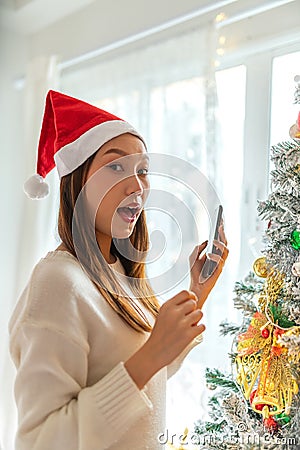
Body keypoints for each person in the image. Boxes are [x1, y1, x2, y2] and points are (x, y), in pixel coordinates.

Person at [9, 90, 229, 450]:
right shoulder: (57, 283)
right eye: (116, 166)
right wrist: (152, 353)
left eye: (143, 170)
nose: (138, 185)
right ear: (78, 181)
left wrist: (196, 293)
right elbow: (40, 440)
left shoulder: (119, 276)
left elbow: (150, 377)